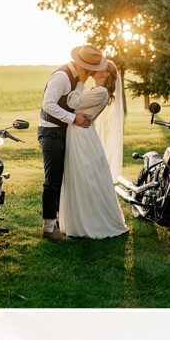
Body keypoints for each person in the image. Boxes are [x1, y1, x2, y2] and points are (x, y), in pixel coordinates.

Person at [37, 44, 105, 241]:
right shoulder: (62, 77)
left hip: (64, 133)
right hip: (51, 133)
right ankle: (49, 227)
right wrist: (73, 119)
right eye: (92, 69)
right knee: (53, 180)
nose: (94, 73)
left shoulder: (78, 79)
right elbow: (48, 104)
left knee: (66, 179)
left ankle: (60, 220)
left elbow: (76, 101)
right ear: (84, 66)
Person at [58, 60, 128, 239]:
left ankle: (91, 221)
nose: (95, 70)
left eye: (100, 68)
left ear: (106, 74)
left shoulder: (101, 92)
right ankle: (79, 219)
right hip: (79, 133)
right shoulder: (97, 91)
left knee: (85, 177)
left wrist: (80, 81)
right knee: (80, 177)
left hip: (82, 136)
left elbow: (73, 101)